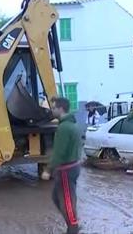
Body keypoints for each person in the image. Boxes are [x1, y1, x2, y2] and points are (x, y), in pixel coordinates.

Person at [50, 97, 81, 234]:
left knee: (66, 200)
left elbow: (59, 152)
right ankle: (72, 223)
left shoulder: (64, 128)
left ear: (61, 109)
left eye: (54, 107)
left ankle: (73, 228)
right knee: (57, 197)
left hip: (66, 169)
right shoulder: (71, 124)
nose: (52, 110)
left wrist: (48, 169)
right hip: (72, 167)